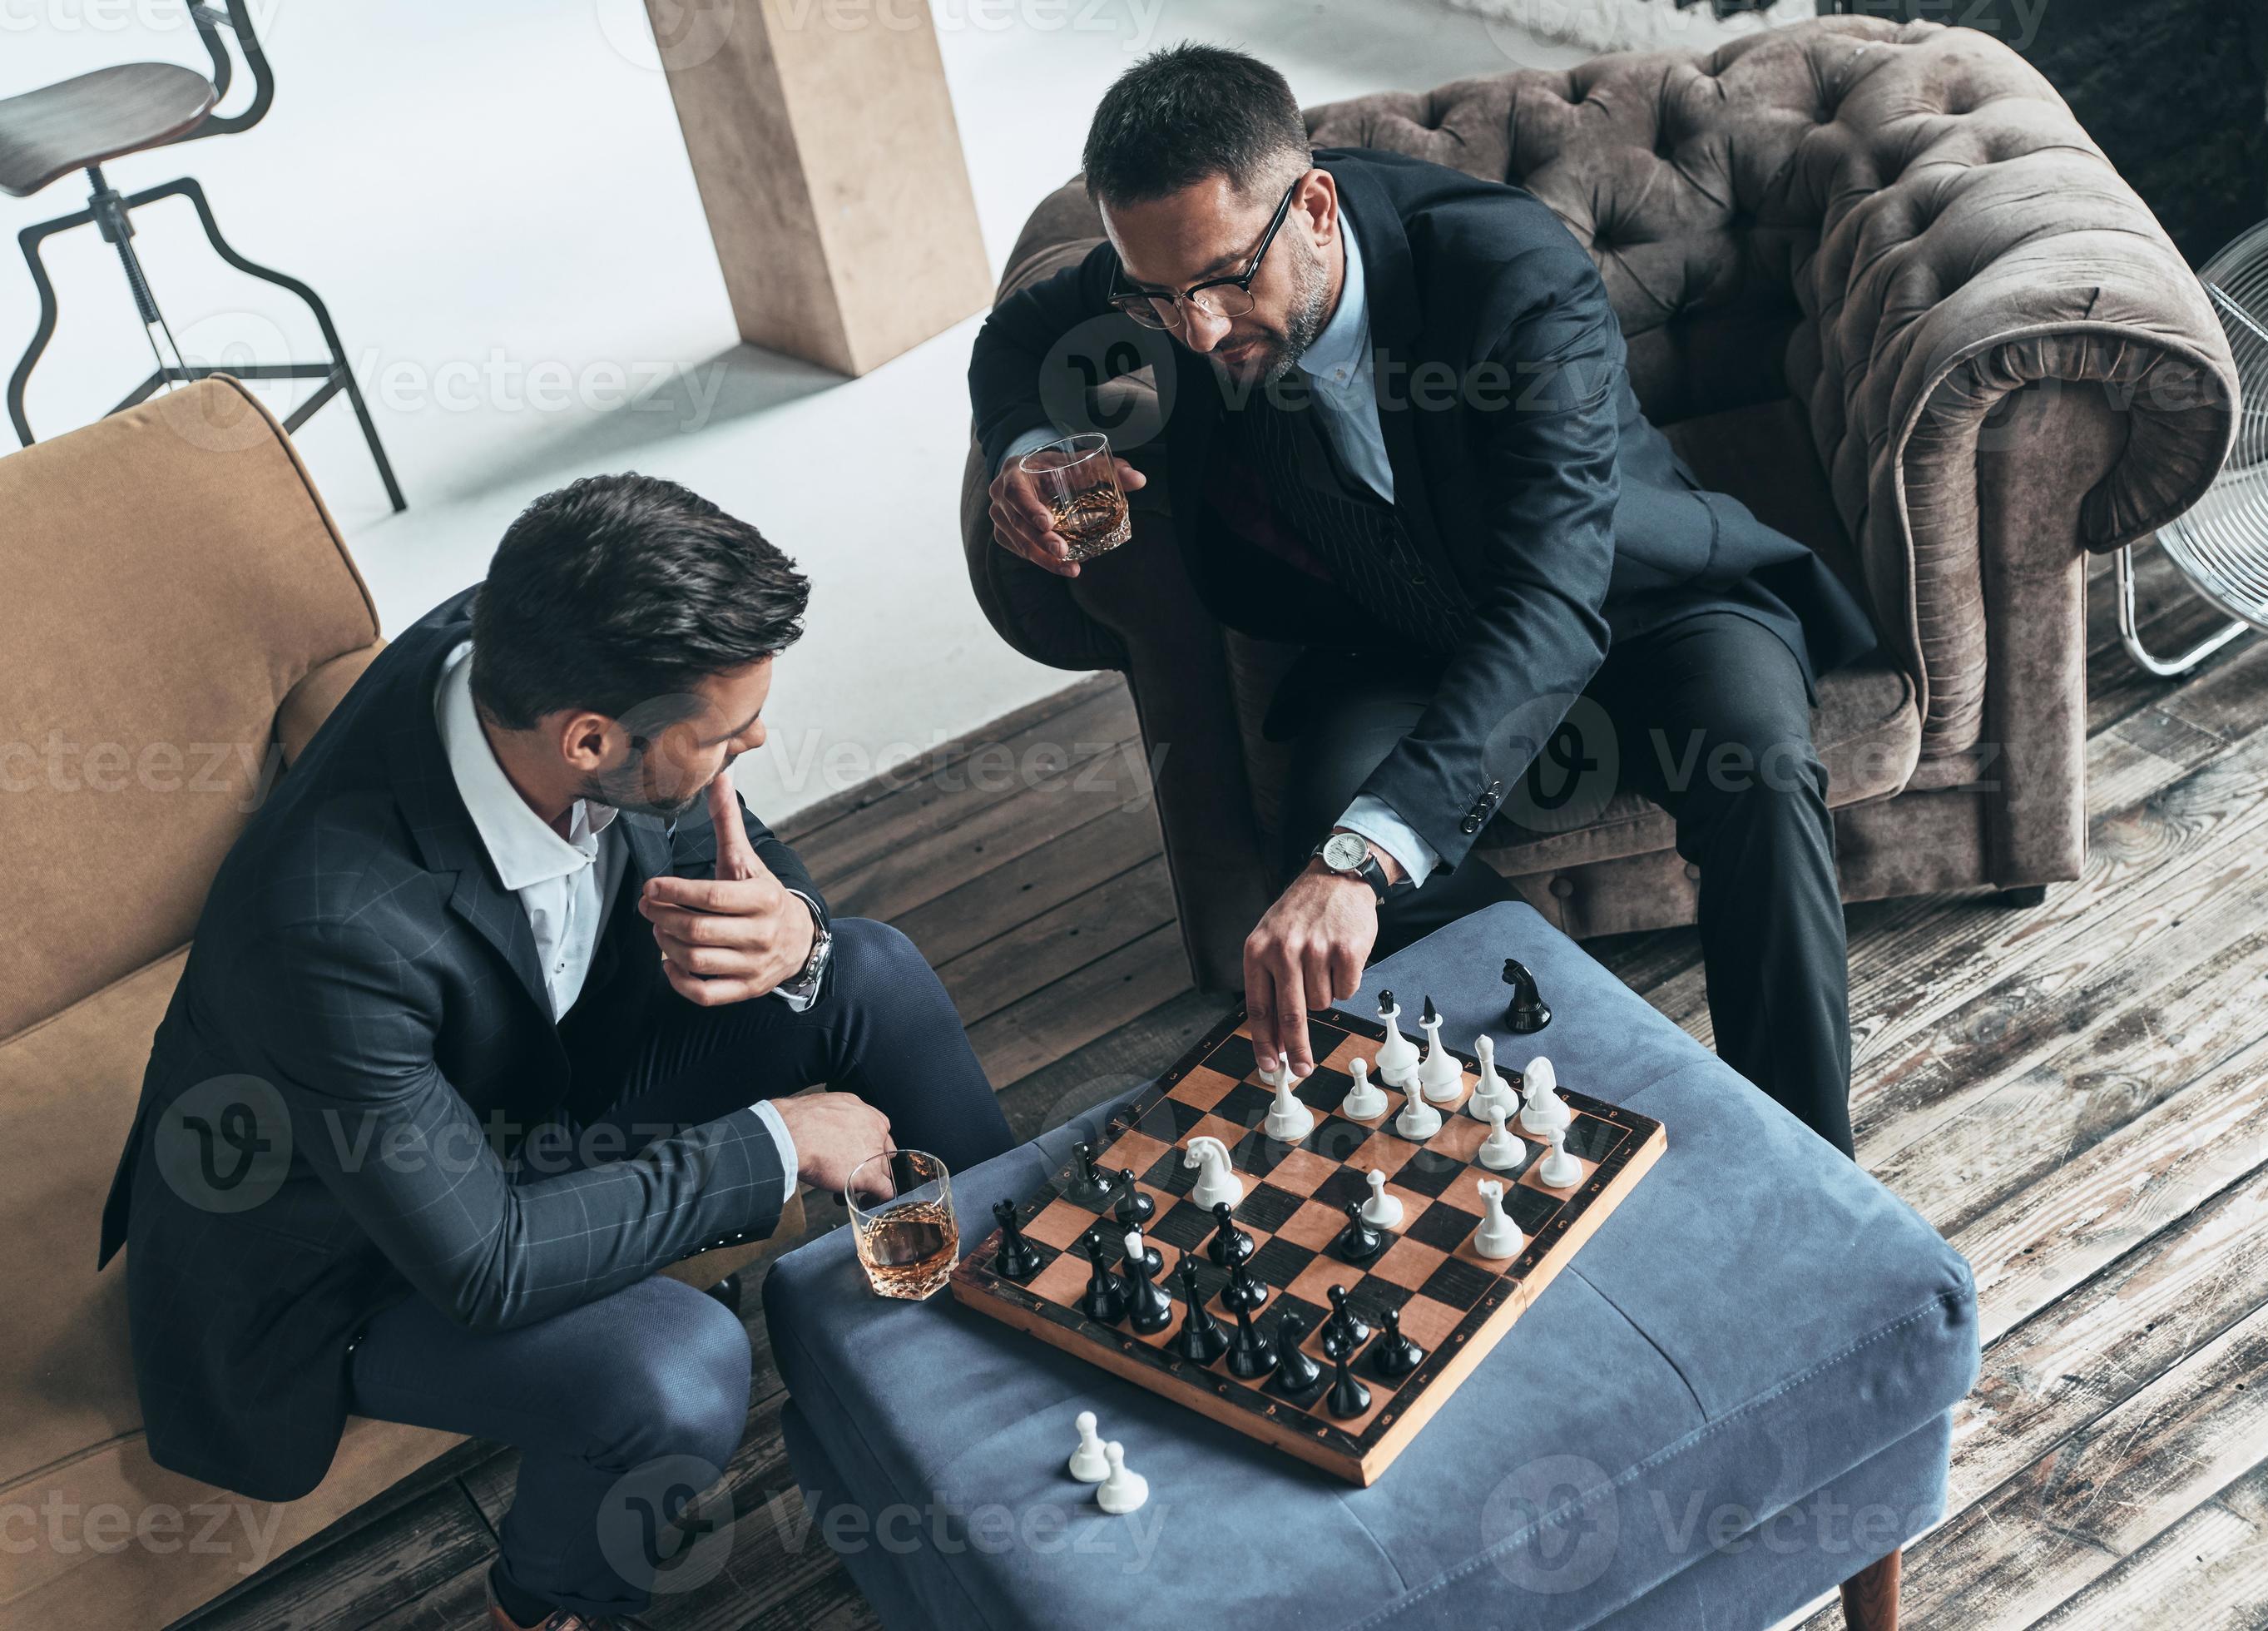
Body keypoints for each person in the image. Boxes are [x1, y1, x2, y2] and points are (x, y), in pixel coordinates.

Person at [97, 473, 1015, 1631]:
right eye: (727, 735)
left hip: (536, 1095)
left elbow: (731, 837)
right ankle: (546, 1607)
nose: (756, 744)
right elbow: (485, 1263)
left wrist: (793, 926)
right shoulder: (325, 930)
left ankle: (1029, 1310)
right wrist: (777, 1142)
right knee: (674, 1364)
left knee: (863, 969)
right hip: (360, 1257)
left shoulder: (536, 650)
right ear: (588, 740)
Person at [971, 45, 1879, 1156]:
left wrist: (1365, 860)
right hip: (1394, 638)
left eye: (1219, 284)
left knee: (1765, 771)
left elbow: (1551, 606)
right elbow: (1015, 335)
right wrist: (1022, 448)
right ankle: (1576, 1100)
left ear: (1313, 207)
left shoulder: (1509, 273)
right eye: (1158, 299)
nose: (1195, 333)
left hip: (1635, 604)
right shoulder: (1177, 268)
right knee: (1327, 832)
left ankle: (1808, 1172)